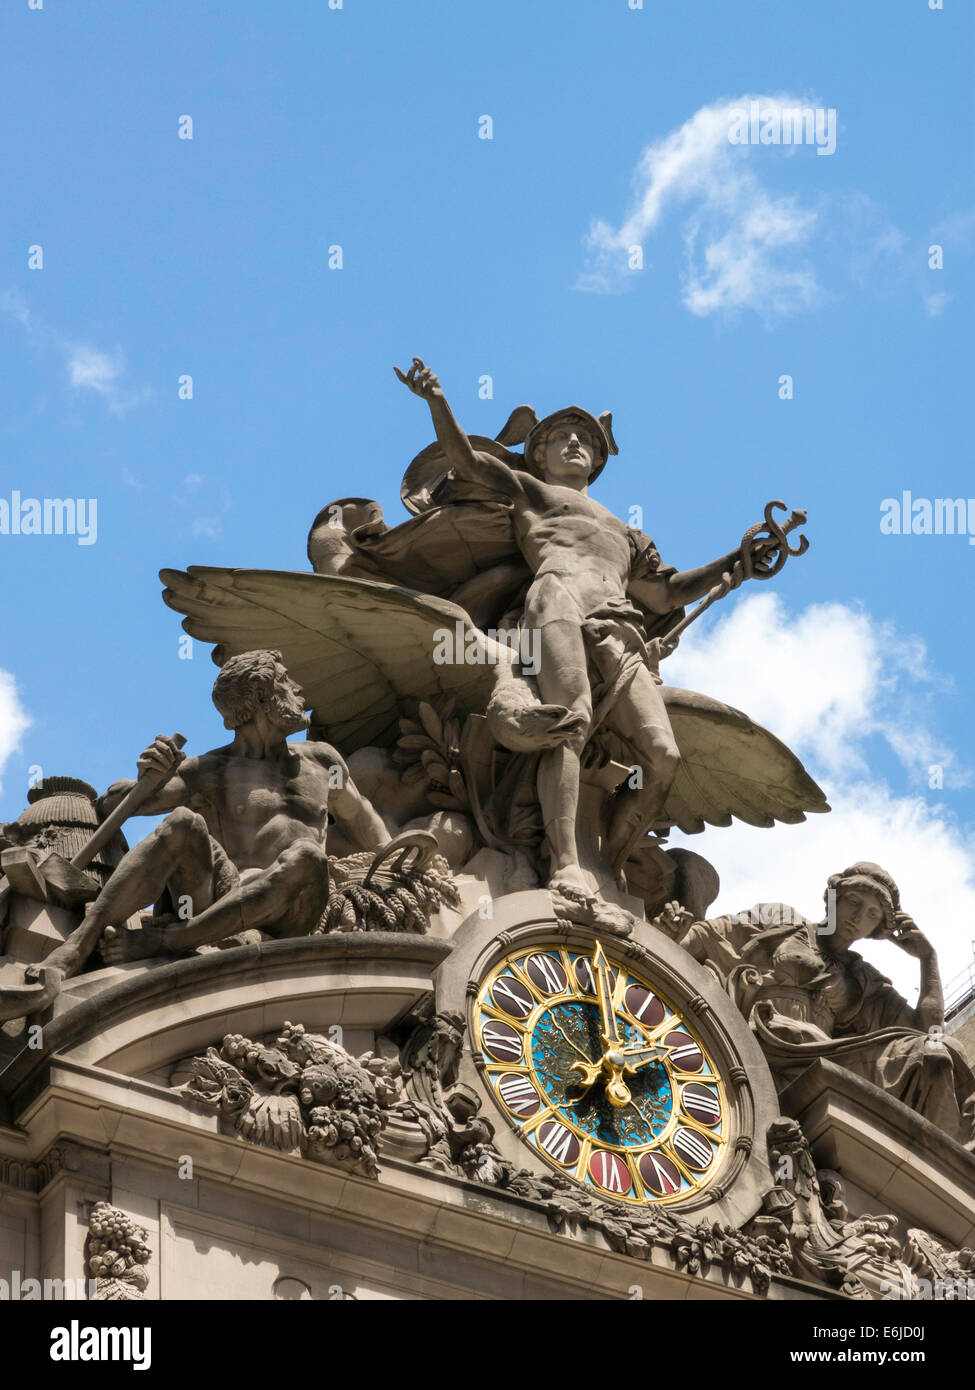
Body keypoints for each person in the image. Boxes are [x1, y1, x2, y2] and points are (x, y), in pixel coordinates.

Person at [396, 357, 773, 898]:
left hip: (620, 627)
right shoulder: (531, 492)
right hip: (557, 603)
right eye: (561, 437)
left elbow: (665, 593)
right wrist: (437, 400)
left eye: (584, 439)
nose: (574, 443)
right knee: (570, 723)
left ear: (597, 459)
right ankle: (567, 864)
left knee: (662, 756)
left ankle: (610, 863)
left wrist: (735, 560)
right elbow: (468, 461)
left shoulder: (626, 531)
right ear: (540, 453)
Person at [0, 650, 389, 1018]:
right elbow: (116, 804)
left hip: (291, 915)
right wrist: (151, 773)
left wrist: (396, 856)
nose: (299, 690)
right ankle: (72, 952)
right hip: (219, 898)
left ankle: (167, 940)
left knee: (307, 855)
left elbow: (360, 817)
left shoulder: (321, 761)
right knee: (183, 821)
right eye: (287, 681)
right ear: (263, 696)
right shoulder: (210, 770)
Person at [668, 861, 975, 1147]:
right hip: (763, 1034)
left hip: (820, 1056)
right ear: (834, 898)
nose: (857, 918)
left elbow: (929, 1029)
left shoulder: (865, 981)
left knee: (938, 1051)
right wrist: (668, 937)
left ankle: (936, 1167)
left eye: (872, 914)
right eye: (854, 902)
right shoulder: (782, 921)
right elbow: (709, 935)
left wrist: (927, 959)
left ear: (879, 929)